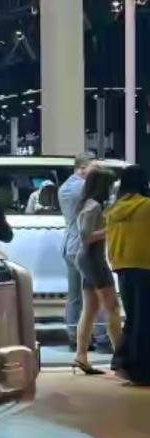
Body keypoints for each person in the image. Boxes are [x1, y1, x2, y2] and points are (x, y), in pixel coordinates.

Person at [73, 168, 121, 375]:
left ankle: (81, 356)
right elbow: (86, 236)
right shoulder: (93, 206)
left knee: (90, 308)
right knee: (112, 307)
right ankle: (121, 356)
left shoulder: (88, 204)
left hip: (88, 259)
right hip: (93, 259)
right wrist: (111, 229)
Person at [106, 165, 150, 384]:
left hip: (122, 266)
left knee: (133, 317)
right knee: (145, 320)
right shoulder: (146, 206)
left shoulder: (113, 209)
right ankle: (142, 370)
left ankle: (124, 363)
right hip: (145, 265)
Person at [59, 153, 103, 349]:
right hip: (84, 246)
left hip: (70, 244)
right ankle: (102, 336)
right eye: (94, 167)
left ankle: (73, 334)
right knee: (95, 292)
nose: (97, 171)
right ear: (83, 167)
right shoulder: (84, 188)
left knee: (74, 295)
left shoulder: (64, 187)